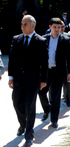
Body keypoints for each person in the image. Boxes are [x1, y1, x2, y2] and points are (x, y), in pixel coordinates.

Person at [8, 15, 48, 146]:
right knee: (16, 103)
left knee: (30, 107)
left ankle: (29, 134)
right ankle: (23, 124)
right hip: (19, 79)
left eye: (25, 24)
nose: (22, 26)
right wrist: (11, 77)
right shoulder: (16, 39)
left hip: (33, 80)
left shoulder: (40, 41)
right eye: (22, 24)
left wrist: (43, 80)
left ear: (33, 26)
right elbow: (12, 59)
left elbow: (44, 63)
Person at [38, 18, 70, 128]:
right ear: (50, 27)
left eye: (59, 27)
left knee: (55, 96)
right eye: (55, 27)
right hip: (45, 72)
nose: (57, 29)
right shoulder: (43, 39)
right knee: (41, 92)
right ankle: (47, 109)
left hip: (58, 72)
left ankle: (54, 119)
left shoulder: (65, 39)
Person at [60, 21, 70, 106]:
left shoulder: (68, 36)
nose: (61, 28)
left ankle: (68, 97)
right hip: (56, 64)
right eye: (60, 26)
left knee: (67, 82)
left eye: (63, 27)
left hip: (67, 63)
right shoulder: (50, 35)